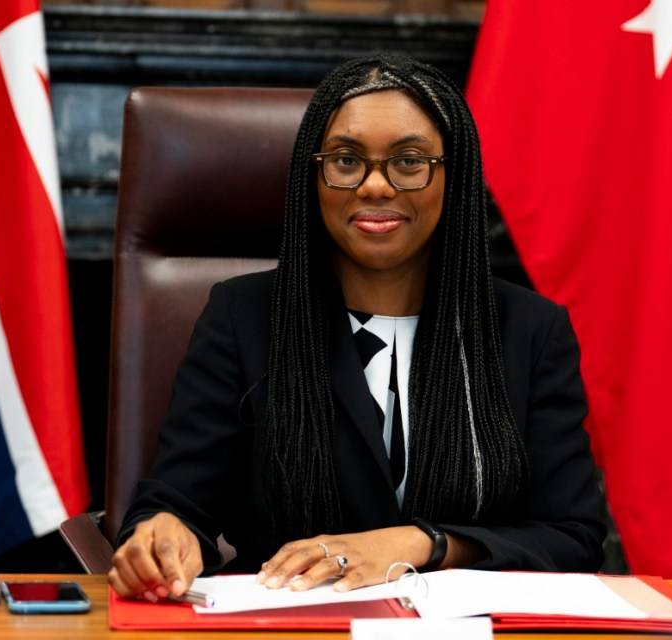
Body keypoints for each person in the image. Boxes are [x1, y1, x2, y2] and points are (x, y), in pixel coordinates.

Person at [108, 54, 606, 603]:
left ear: (453, 176)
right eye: (346, 161)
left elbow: (571, 539)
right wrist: (161, 534)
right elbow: (178, 502)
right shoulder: (242, 317)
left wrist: (421, 544)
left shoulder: (530, 331)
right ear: (313, 176)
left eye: (409, 161)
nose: (374, 186)